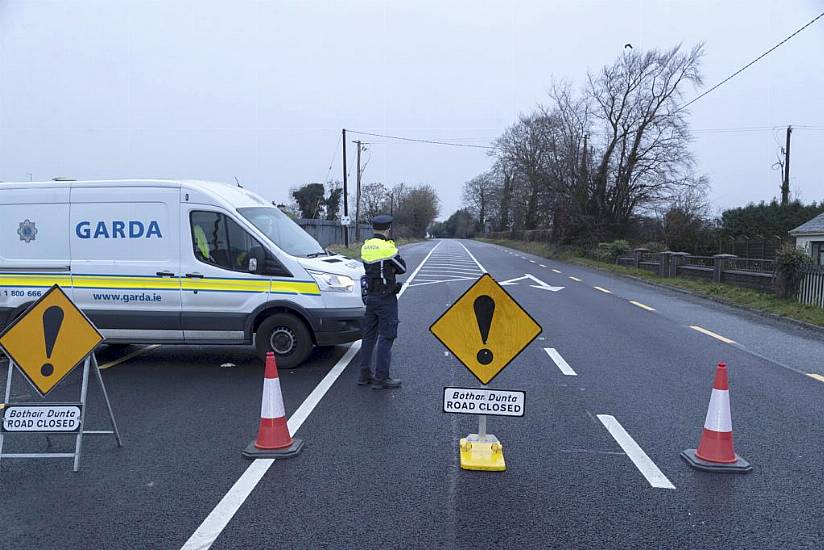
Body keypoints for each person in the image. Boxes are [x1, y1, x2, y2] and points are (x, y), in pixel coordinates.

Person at [358, 214, 406, 389]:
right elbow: (402, 268)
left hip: (370, 297)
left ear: (373, 228)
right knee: (387, 335)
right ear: (388, 229)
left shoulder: (366, 247)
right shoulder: (387, 248)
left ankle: (364, 375)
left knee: (369, 336)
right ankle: (381, 378)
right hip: (386, 298)